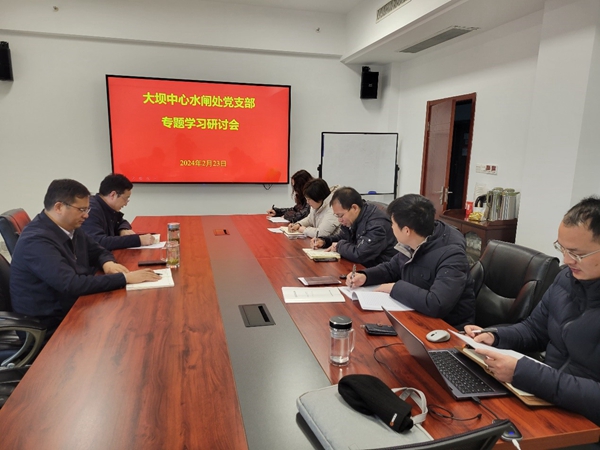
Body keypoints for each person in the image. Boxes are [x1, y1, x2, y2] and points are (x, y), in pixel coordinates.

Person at [465, 196, 600, 427]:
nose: (567, 260)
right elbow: (535, 329)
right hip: (544, 401)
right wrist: (495, 336)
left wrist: (526, 374)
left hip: (585, 424)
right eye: (562, 248)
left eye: (577, 254)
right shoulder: (566, 279)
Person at [10, 179, 161, 339]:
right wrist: (125, 278)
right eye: (81, 209)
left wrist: (107, 263)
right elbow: (72, 284)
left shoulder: (70, 227)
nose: (86, 215)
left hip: (74, 308)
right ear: (59, 207)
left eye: (87, 209)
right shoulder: (36, 241)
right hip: (52, 326)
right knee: (128, 330)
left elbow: (98, 250)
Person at [348, 194, 475, 329]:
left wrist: (394, 288)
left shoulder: (452, 255)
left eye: (393, 224)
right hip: (415, 314)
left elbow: (437, 304)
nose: (391, 227)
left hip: (446, 329)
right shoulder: (415, 241)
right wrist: (365, 276)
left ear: (406, 230)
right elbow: (392, 268)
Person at [312, 187, 397, 267]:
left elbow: (360, 254)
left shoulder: (376, 224)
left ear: (354, 208)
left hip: (379, 270)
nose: (339, 220)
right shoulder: (355, 218)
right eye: (337, 216)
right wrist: (324, 241)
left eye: (341, 215)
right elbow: (343, 237)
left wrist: (339, 246)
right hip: (363, 267)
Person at [81, 173, 155, 250]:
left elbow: (121, 221)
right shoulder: (91, 210)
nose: (126, 203)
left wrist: (123, 229)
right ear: (113, 195)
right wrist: (138, 240)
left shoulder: (107, 207)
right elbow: (98, 242)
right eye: (126, 198)